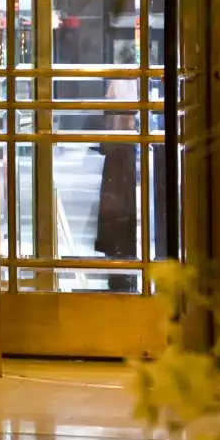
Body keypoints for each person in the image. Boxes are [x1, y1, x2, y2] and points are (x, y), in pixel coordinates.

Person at [95, 47, 139, 293]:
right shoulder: (136, 85)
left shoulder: (114, 85)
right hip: (130, 147)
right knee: (127, 197)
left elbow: (109, 118)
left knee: (113, 196)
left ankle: (113, 244)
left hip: (116, 149)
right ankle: (127, 245)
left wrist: (105, 144)